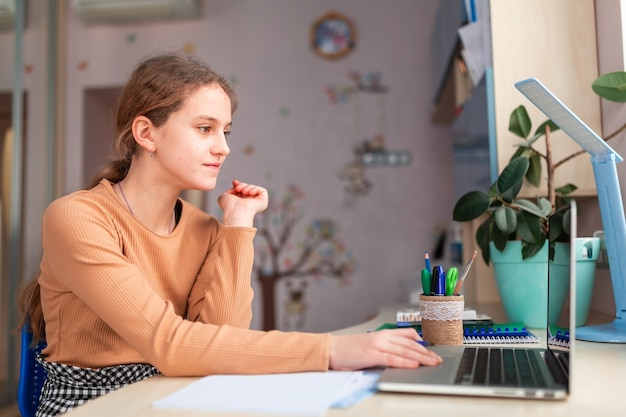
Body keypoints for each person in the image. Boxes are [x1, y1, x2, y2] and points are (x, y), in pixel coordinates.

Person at [17, 50, 442, 416]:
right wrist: (331, 350)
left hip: (172, 392)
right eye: (205, 128)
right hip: (94, 404)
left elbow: (224, 339)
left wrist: (238, 226)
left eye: (226, 130)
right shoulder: (77, 217)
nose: (223, 146)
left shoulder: (204, 227)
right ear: (146, 133)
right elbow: (169, 343)